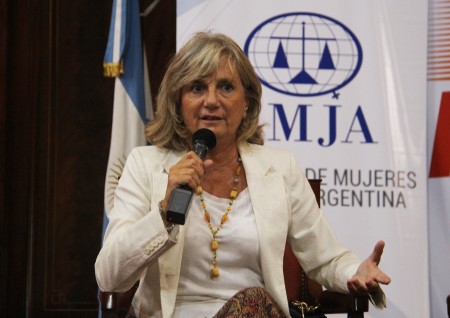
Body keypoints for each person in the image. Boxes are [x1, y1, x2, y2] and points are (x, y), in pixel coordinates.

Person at [95, 31, 391, 318]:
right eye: (197, 88)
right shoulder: (145, 165)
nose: (211, 100)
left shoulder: (279, 169)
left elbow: (326, 258)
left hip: (255, 312)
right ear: (178, 101)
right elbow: (109, 277)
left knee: (254, 302)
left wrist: (356, 271)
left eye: (225, 87)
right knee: (255, 302)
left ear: (246, 102)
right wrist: (163, 213)